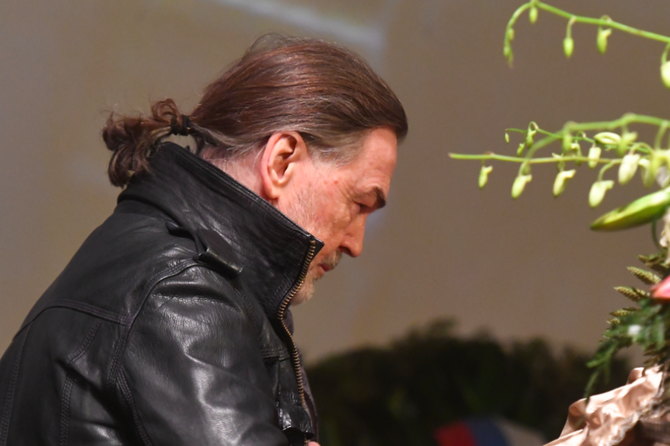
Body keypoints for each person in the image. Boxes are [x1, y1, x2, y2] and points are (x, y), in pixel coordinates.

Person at [0, 34, 407, 445]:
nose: (356, 243)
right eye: (360, 203)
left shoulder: (174, 270)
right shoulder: (180, 292)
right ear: (282, 161)